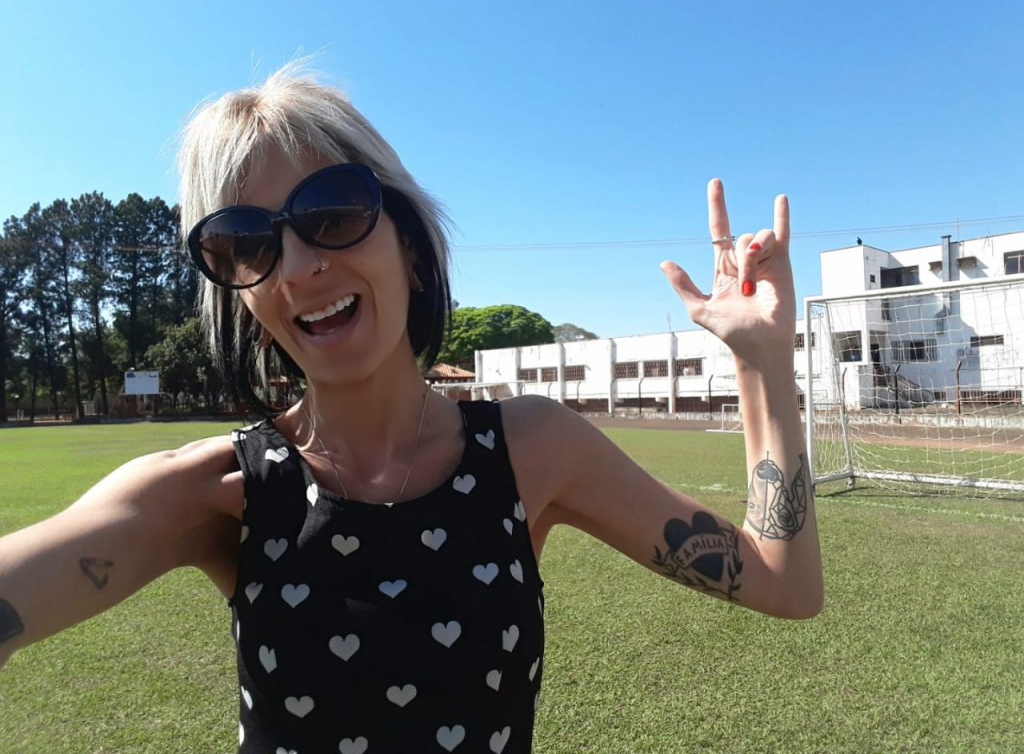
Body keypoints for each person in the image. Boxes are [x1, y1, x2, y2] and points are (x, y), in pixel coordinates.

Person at [0, 62, 823, 753]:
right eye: (247, 242)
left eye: (331, 213)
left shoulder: (534, 448)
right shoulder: (212, 493)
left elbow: (785, 584)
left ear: (412, 245)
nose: (296, 268)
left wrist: (762, 365)